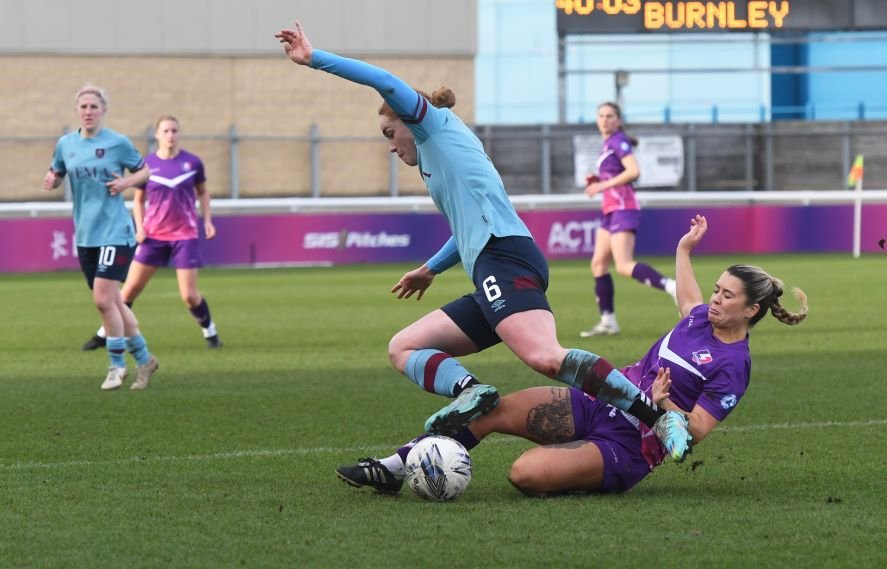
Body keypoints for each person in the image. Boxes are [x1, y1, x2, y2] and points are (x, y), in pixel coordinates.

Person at [275, 20, 692, 460]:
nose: (390, 146)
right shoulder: (437, 159)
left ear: (406, 119)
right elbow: (466, 231)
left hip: (504, 258)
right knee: (404, 347)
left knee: (546, 357)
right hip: (492, 265)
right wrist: (430, 269)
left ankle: (661, 416)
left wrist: (313, 58)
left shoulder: (431, 126)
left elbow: (383, 80)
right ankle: (471, 390)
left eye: (389, 134)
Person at [336, 215, 808, 496]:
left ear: (752, 310)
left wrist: (664, 403)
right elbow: (686, 298)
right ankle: (396, 467)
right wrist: (685, 249)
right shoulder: (701, 317)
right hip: (599, 402)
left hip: (629, 447)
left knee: (524, 475)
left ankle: (575, 463)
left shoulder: (734, 366)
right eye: (717, 290)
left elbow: (696, 435)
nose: (716, 299)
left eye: (727, 296)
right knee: (493, 410)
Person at [44, 84, 160, 390]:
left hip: (116, 232)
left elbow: (145, 172)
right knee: (115, 302)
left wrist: (126, 183)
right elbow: (56, 172)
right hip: (86, 235)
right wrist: (52, 179)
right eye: (83, 107)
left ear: (103, 110)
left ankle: (116, 365)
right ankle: (146, 360)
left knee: (102, 301)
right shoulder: (66, 144)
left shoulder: (117, 143)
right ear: (76, 111)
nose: (88, 112)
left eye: (94, 107)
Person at [80, 115, 223, 351]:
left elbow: (203, 193)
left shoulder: (193, 163)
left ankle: (211, 332)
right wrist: (141, 227)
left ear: (180, 134)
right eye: (166, 131)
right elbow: (139, 201)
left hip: (184, 236)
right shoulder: (147, 166)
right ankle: (104, 333)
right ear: (157, 135)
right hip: (153, 237)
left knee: (189, 295)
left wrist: (208, 221)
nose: (171, 135)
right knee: (129, 290)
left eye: (174, 130)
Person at [580, 101, 677, 338]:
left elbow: (633, 171)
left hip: (623, 207)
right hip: (611, 209)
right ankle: (608, 321)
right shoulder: (607, 144)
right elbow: (616, 173)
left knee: (623, 264)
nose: (604, 119)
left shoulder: (617, 141)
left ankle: (672, 286)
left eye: (610, 115)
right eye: (601, 115)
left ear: (618, 120)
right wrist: (597, 179)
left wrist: (603, 184)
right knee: (598, 264)